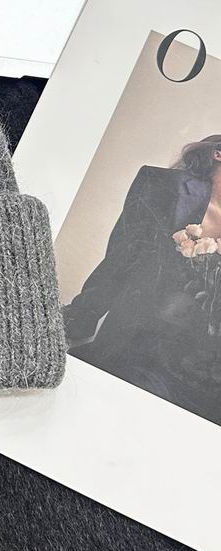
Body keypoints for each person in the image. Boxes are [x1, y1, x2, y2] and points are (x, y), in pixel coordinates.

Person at [63, 134, 221, 423]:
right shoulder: (162, 185)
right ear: (217, 154)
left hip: (205, 373)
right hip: (140, 349)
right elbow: (120, 258)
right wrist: (81, 317)